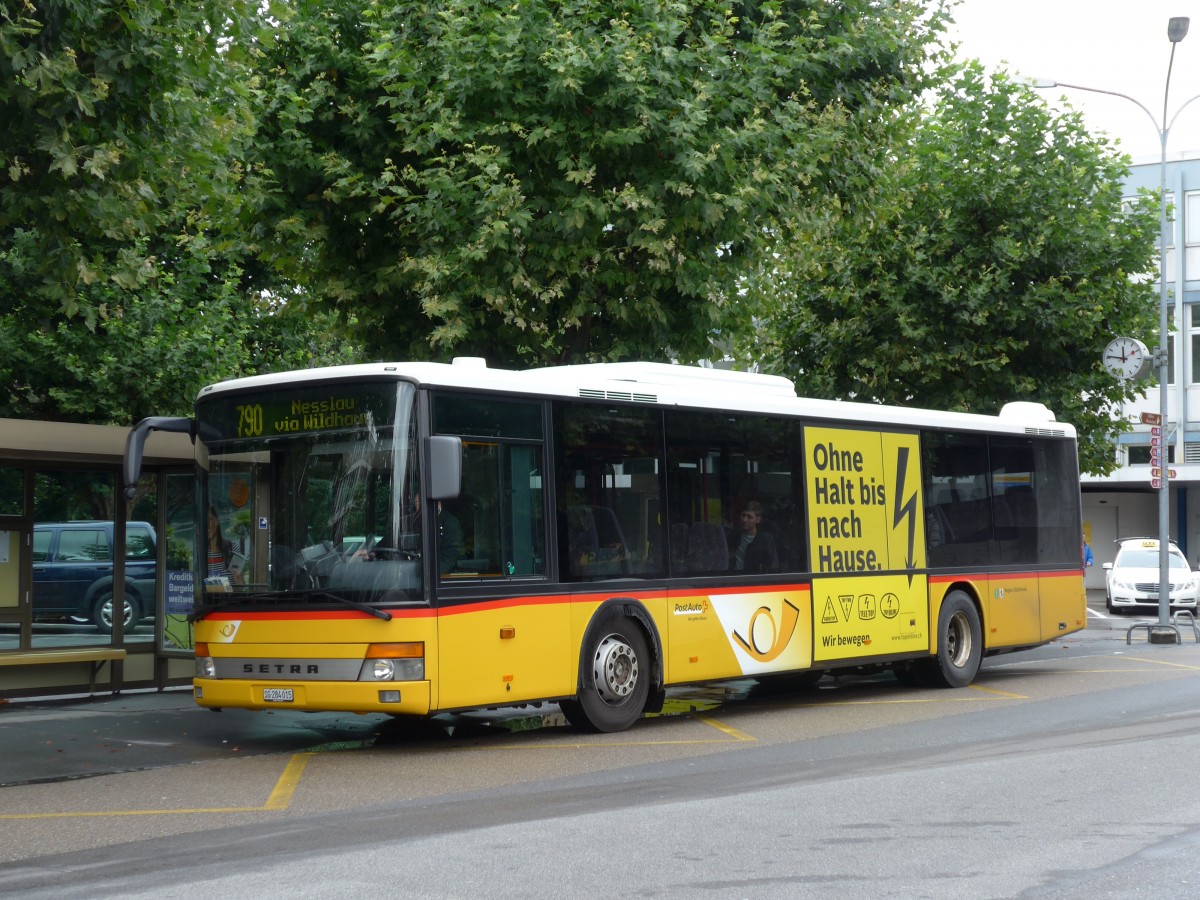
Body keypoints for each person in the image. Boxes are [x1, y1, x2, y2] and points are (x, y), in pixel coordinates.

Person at [730, 500, 779, 573]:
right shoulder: (734, 536)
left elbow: (772, 566)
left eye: (749, 517)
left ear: (758, 520)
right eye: (743, 515)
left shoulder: (766, 540)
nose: (744, 520)